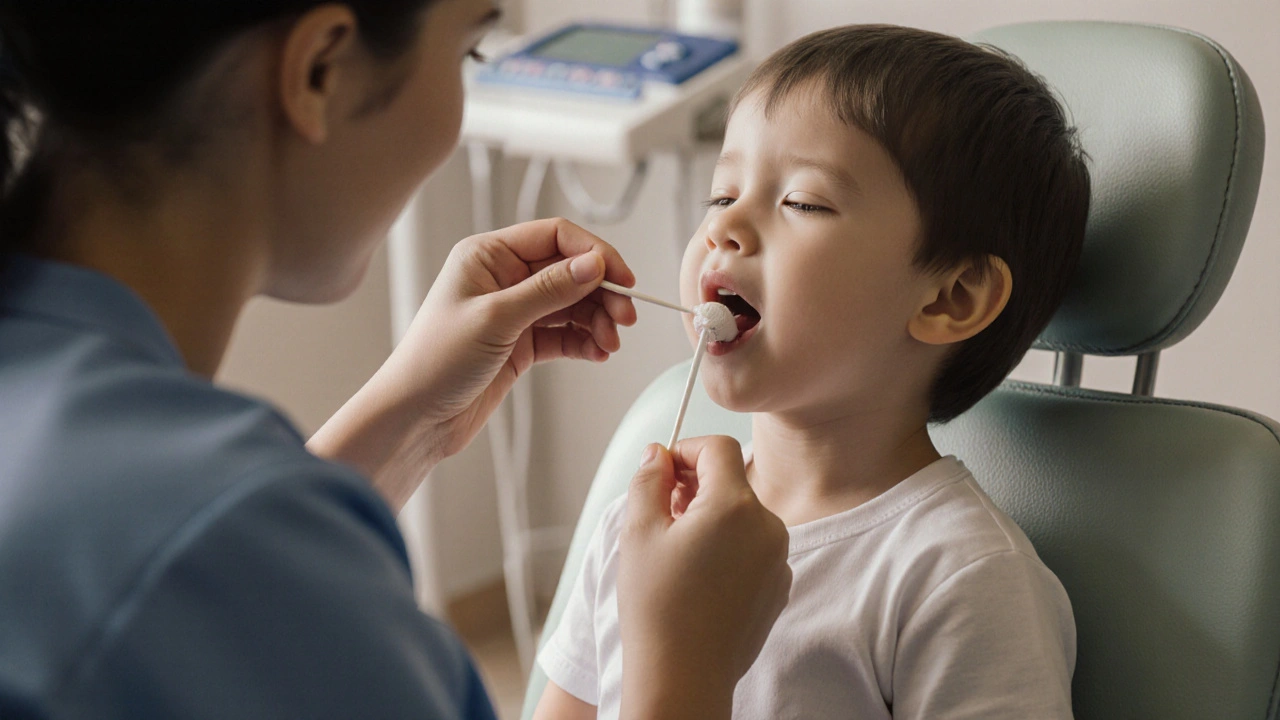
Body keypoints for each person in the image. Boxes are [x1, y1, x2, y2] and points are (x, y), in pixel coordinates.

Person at [0, 1, 792, 719]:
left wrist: (410, 421)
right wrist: (681, 671)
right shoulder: (216, 539)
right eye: (467, 56)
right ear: (320, 71)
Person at [534, 24, 1091, 720]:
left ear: (951, 297)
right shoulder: (647, 529)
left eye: (802, 202)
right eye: (721, 193)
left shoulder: (960, 579)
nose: (724, 227)